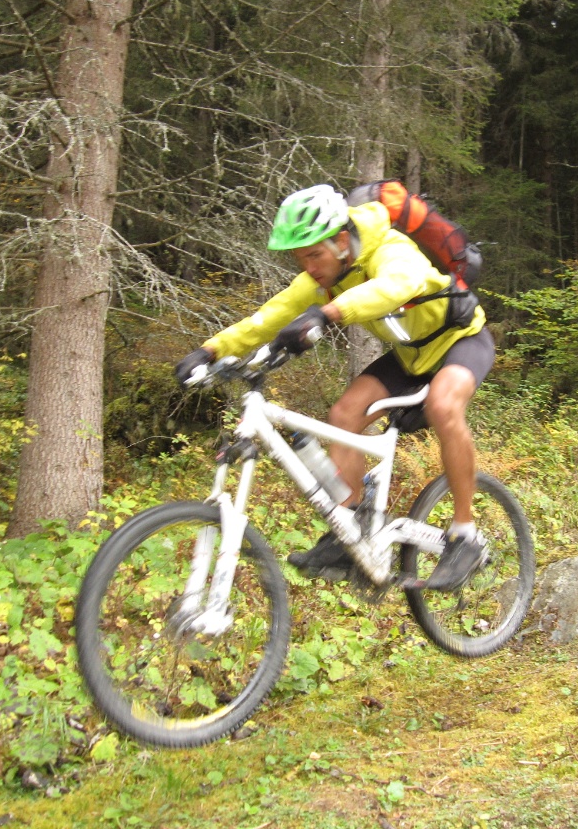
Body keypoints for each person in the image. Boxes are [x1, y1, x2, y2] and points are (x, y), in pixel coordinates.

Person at [173, 184, 495, 591]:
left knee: (444, 405)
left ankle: (465, 535)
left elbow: (396, 286)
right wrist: (210, 350)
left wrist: (326, 314)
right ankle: (351, 531)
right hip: (410, 357)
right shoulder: (323, 275)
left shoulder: (389, 248)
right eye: (300, 258)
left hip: (460, 340)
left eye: (314, 254)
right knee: (345, 413)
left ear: (342, 241)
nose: (308, 267)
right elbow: (269, 316)